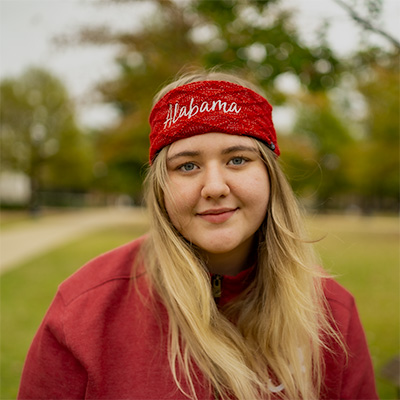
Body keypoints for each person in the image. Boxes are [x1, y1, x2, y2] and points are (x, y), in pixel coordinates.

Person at [18, 71, 378, 400]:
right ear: (160, 188)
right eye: (187, 166)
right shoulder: (84, 311)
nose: (215, 186)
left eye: (237, 159)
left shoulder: (331, 315)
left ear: (270, 176)